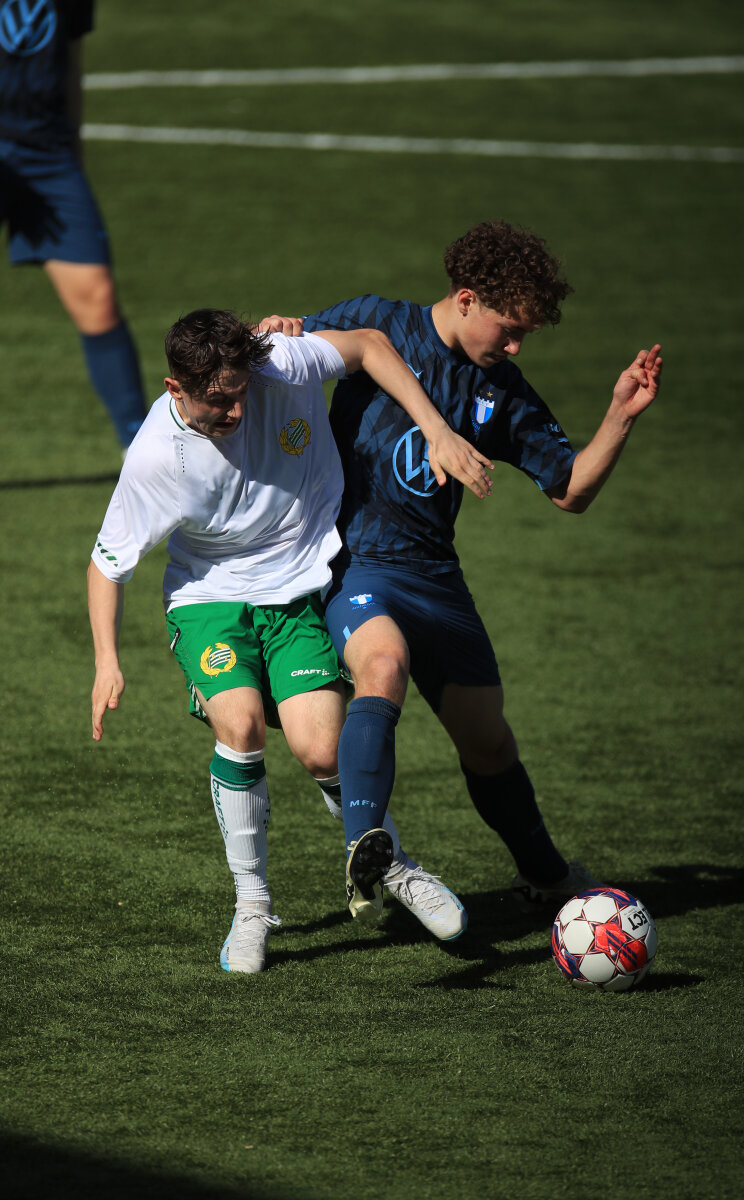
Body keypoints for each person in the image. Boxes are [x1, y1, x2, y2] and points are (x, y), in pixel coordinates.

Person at [88, 309, 492, 972]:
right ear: (174, 388)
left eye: (241, 391)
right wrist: (107, 662)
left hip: (296, 589)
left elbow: (370, 345)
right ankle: (252, 905)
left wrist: (436, 428)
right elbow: (107, 565)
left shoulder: (279, 363)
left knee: (322, 749)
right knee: (241, 724)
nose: (236, 409)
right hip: (209, 601)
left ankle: (393, 865)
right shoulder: (156, 456)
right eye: (218, 400)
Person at [291, 219, 663, 918]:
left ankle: (546, 875)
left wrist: (620, 416)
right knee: (382, 668)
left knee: (488, 742)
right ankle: (366, 847)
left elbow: (570, 489)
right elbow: (285, 350)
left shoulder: (504, 388)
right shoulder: (377, 320)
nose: (516, 346)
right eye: (509, 329)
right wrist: (278, 329)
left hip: (436, 576)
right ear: (466, 299)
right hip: (357, 562)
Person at [0, 0, 147, 450]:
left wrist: (73, 153)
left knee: (97, 299)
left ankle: (142, 455)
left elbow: (70, 63)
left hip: (48, 154)